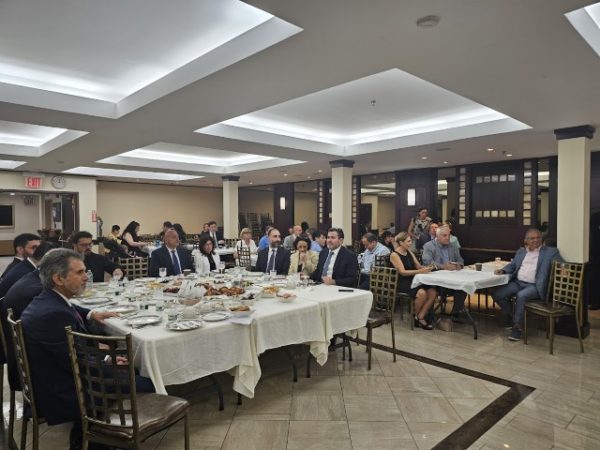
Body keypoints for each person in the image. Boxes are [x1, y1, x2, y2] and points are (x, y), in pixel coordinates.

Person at [20, 249, 153, 450]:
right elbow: (75, 362)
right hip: (61, 391)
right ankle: (100, 439)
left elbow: (72, 350)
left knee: (128, 367)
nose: (86, 277)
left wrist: (106, 357)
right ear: (58, 278)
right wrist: (108, 361)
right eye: (80, 272)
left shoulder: (49, 300)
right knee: (146, 382)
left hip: (52, 376)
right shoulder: (53, 314)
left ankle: (86, 436)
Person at [492, 228, 563, 341]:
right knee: (497, 294)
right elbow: (513, 265)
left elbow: (562, 264)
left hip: (534, 286)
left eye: (538, 238)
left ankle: (517, 328)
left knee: (521, 296)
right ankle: (511, 316)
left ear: (541, 239)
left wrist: (563, 269)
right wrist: (503, 270)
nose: (536, 240)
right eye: (532, 238)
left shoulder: (550, 252)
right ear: (526, 240)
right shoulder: (521, 252)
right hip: (518, 283)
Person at [390, 232, 437, 330]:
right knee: (422, 293)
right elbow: (402, 272)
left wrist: (427, 267)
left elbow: (418, 266)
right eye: (408, 241)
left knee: (433, 292)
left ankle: (420, 316)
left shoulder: (409, 251)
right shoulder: (394, 255)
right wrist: (420, 271)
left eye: (411, 241)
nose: (411, 243)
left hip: (414, 279)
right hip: (402, 281)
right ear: (401, 242)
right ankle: (416, 316)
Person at [421, 225, 466, 318]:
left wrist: (458, 265)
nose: (447, 238)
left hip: (452, 278)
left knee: (463, 287)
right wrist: (443, 267)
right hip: (435, 280)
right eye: (444, 235)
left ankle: (455, 313)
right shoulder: (429, 246)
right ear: (437, 236)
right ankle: (430, 315)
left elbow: (461, 260)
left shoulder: (453, 246)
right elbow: (427, 262)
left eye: (449, 235)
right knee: (432, 291)